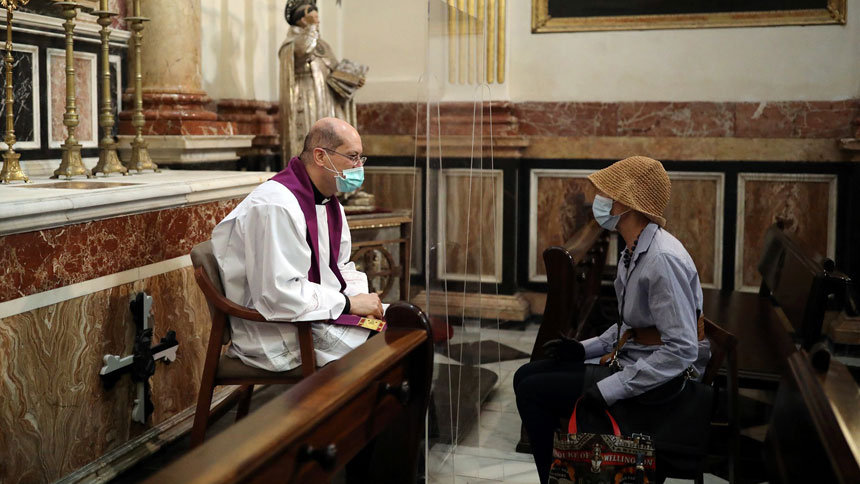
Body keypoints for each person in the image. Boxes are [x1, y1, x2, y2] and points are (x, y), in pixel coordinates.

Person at [514, 156, 710, 484]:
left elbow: (681, 350)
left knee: (534, 391)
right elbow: (631, 326)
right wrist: (582, 349)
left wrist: (611, 388)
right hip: (639, 361)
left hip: (661, 383)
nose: (600, 199)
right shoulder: (633, 249)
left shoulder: (662, 259)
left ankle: (555, 478)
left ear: (627, 204)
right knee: (525, 375)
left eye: (608, 192)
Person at [211, 117, 383, 373]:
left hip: (313, 316)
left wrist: (359, 302)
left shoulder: (328, 202)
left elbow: (341, 265)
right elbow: (278, 294)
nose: (359, 167)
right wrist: (348, 305)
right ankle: (333, 412)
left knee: (404, 328)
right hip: (277, 331)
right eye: (352, 157)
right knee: (384, 352)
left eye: (361, 158)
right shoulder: (276, 207)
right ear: (321, 157)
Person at [279, 0, 362, 162]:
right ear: (302, 18)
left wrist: (351, 81)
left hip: (328, 101)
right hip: (306, 100)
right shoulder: (292, 43)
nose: (317, 15)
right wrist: (310, 29)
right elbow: (303, 51)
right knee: (313, 142)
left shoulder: (323, 44)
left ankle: (336, 179)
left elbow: (335, 73)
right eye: (311, 12)